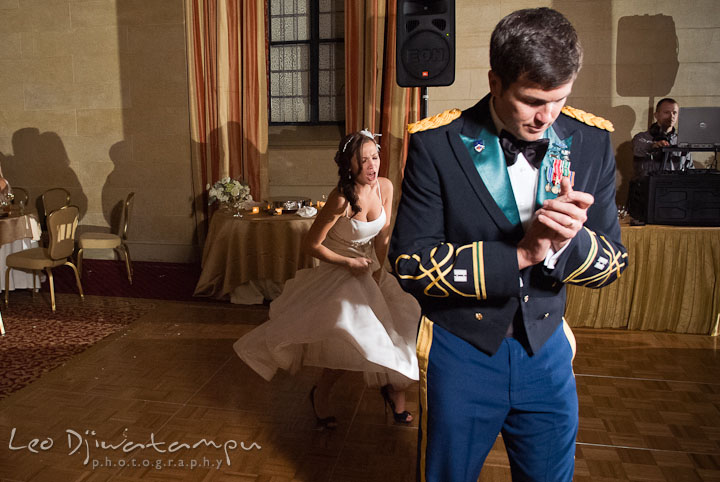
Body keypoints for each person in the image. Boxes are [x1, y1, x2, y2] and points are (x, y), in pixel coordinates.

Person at [389, 8, 628, 482]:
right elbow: (410, 264)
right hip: (462, 351)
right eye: (533, 100)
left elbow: (612, 265)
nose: (547, 117)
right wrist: (522, 253)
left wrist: (568, 243)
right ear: (496, 82)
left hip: (548, 352)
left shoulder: (590, 141)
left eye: (560, 100)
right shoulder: (437, 143)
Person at [234, 130, 420, 429]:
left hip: (371, 267)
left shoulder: (384, 186)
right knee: (354, 338)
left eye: (375, 157)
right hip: (341, 271)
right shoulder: (342, 199)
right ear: (349, 165)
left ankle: (395, 393)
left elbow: (383, 235)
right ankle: (320, 394)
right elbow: (311, 245)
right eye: (364, 160)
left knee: (401, 325)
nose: (372, 166)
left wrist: (382, 270)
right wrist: (350, 262)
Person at [632, 97, 693, 176]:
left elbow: (690, 168)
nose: (671, 116)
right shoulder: (641, 137)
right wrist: (654, 145)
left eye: (674, 113)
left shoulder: (682, 141)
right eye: (666, 112)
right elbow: (639, 148)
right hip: (649, 186)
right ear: (656, 115)